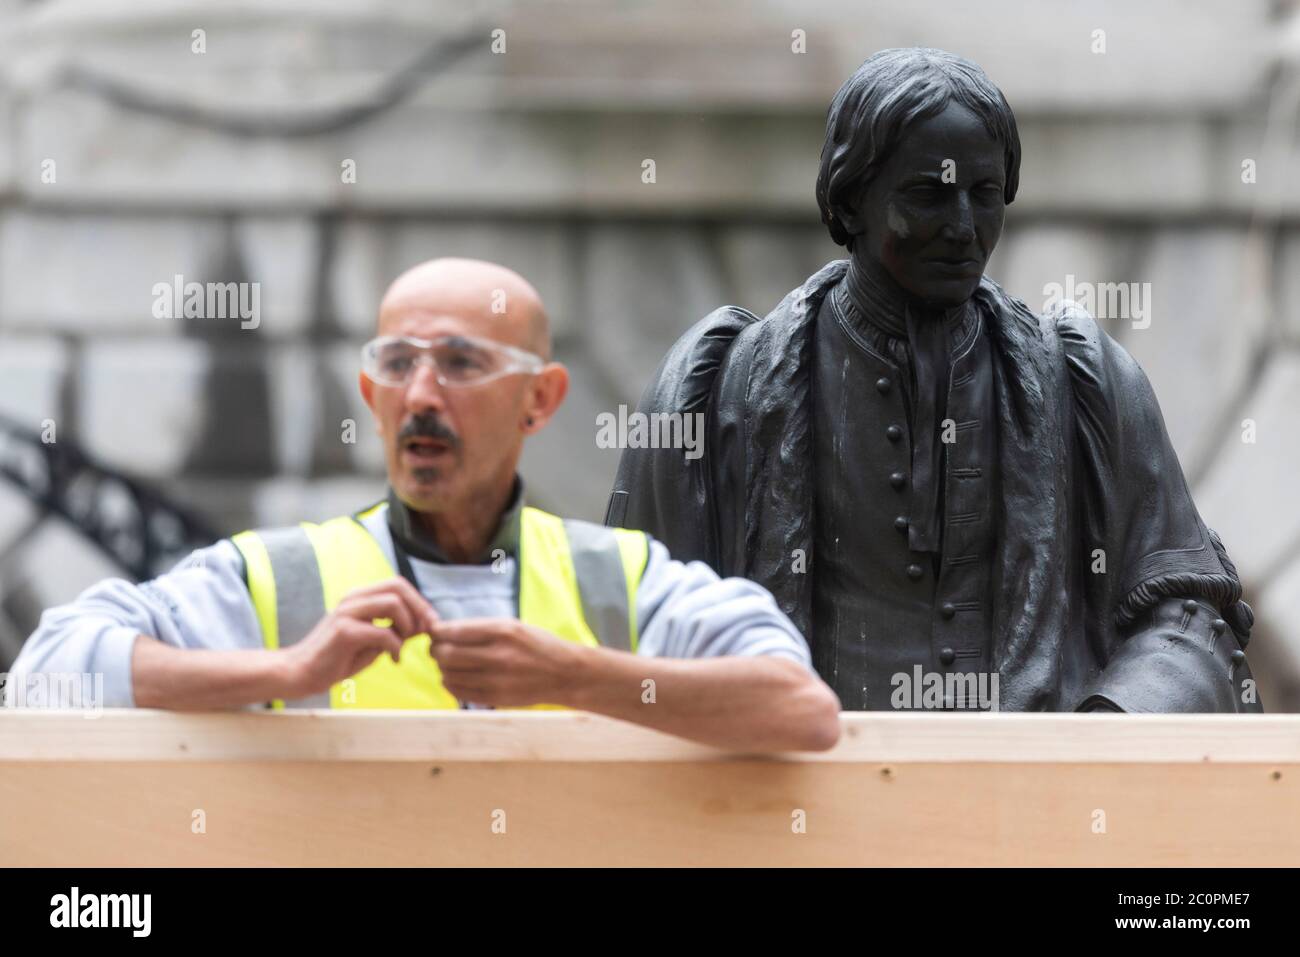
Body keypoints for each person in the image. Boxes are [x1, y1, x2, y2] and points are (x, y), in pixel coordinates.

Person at [607, 48, 1262, 713]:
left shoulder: (1084, 384)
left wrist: (1105, 729)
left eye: (983, 195)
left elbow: (1192, 615)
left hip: (1032, 801)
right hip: (795, 794)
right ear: (850, 198)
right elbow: (632, 630)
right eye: (927, 194)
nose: (961, 228)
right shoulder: (721, 388)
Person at [8, 258, 841, 751]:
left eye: (461, 362)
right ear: (369, 393)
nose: (422, 394)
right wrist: (282, 673)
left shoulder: (617, 575)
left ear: (540, 399)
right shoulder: (278, 574)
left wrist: (572, 674)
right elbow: (45, 673)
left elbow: (799, 708)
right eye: (397, 365)